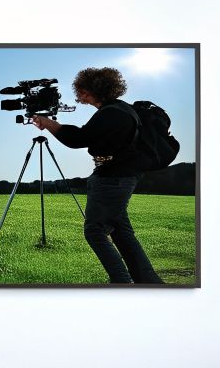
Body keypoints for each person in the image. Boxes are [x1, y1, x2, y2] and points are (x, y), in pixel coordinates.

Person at [32, 67, 164, 285]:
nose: (80, 95)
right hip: (117, 176)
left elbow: (79, 139)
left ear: (97, 89)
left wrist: (49, 124)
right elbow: (89, 136)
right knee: (121, 232)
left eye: (83, 91)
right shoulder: (118, 109)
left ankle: (121, 282)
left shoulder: (112, 113)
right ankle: (149, 282)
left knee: (95, 232)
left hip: (113, 179)